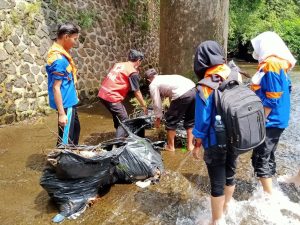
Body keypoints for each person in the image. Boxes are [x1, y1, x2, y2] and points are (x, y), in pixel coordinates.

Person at [192, 41, 242, 225]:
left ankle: (217, 220)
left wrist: (197, 144)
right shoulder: (234, 72)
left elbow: (202, 121)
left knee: (217, 182)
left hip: (216, 139)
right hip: (236, 134)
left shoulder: (206, 84)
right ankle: (227, 206)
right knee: (230, 171)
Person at [250, 31, 296, 194]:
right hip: (277, 118)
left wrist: (261, 120)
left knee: (262, 156)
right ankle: (269, 187)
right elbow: (288, 89)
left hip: (271, 120)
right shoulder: (280, 64)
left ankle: (269, 198)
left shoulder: (271, 64)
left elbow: (272, 98)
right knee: (266, 154)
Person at [98, 49, 148, 138]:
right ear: (138, 61)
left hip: (102, 94)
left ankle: (120, 134)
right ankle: (118, 144)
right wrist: (144, 105)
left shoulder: (119, 64)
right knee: (125, 121)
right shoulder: (132, 72)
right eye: (140, 62)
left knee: (117, 116)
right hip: (112, 96)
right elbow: (137, 92)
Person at [46, 22, 80, 146]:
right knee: (65, 140)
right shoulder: (59, 60)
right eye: (74, 39)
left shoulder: (61, 54)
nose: (75, 42)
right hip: (65, 104)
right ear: (66, 37)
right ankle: (60, 162)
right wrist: (61, 114)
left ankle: (73, 156)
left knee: (75, 131)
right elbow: (56, 87)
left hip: (70, 102)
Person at [145, 68, 196, 152]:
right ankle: (190, 146)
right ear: (156, 74)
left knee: (170, 121)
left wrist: (158, 118)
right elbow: (172, 94)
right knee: (190, 120)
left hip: (182, 94)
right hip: (194, 90)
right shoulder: (165, 78)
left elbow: (156, 102)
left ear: (148, 79)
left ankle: (170, 147)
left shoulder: (153, 84)